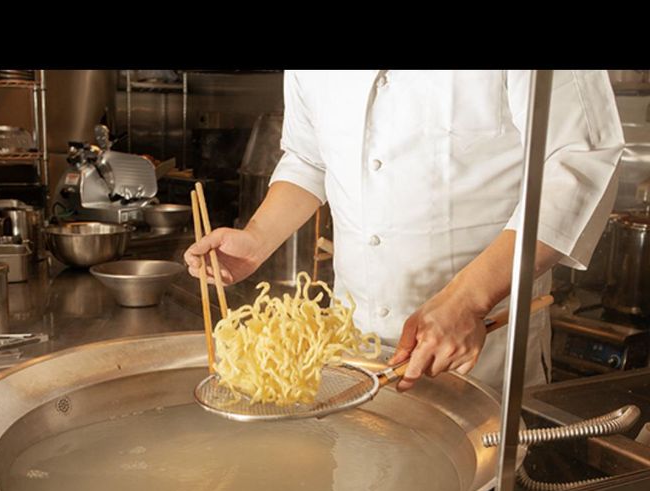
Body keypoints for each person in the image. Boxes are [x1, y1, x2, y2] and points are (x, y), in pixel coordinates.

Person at [184, 70, 624, 392]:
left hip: (482, 350)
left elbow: (580, 162)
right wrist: (257, 238)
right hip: (348, 354)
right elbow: (309, 157)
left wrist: (469, 298)